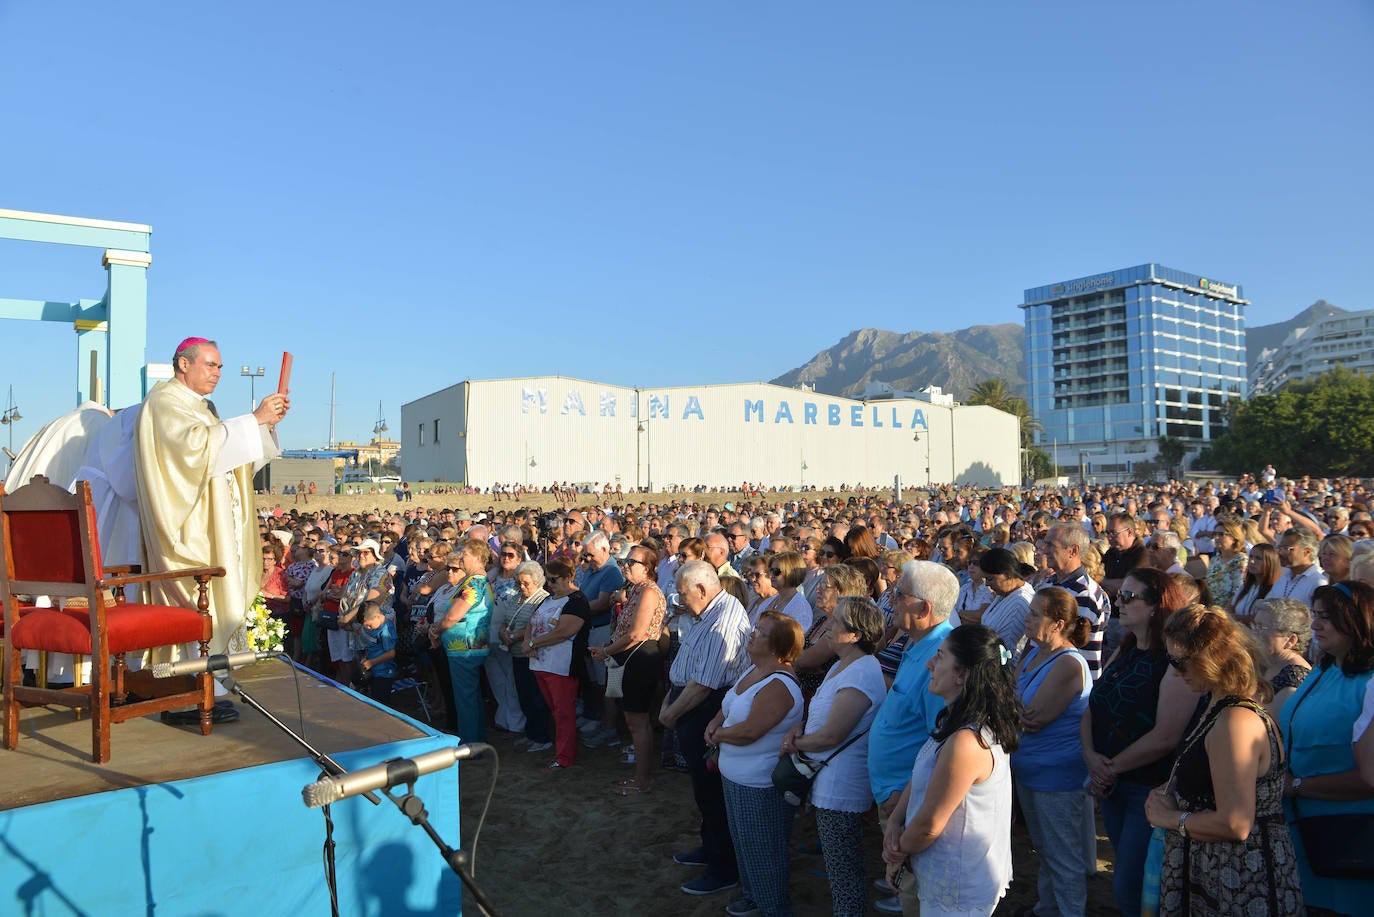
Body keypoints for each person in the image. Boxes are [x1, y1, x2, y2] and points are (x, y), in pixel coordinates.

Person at [1144, 604, 1304, 916]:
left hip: (1236, 877)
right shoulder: (1218, 706)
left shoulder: (1236, 721)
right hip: (1215, 867)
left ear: (1210, 659)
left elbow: (1236, 823)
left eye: (1180, 661)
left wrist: (1171, 819)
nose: (1175, 670)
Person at [135, 337, 288, 659]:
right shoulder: (165, 402)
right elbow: (191, 453)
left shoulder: (203, 408)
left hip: (211, 528)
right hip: (189, 531)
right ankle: (186, 687)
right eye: (210, 364)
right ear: (184, 364)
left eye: (220, 366)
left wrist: (263, 427)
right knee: (196, 604)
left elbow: (226, 458)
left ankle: (211, 683)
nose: (217, 372)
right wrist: (253, 420)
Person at [1082, 567, 1198, 917]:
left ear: (1155, 606)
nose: (1120, 601)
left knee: (1131, 885)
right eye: (1121, 595)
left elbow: (1166, 736)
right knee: (1127, 877)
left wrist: (1109, 769)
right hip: (1114, 784)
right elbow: (1093, 705)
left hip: (1147, 788)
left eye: (1129, 597)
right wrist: (1091, 758)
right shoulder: (1126, 649)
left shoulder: (1174, 663)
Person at [881, 625, 1020, 916]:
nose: (930, 664)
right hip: (944, 870)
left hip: (957, 886)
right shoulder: (955, 721)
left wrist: (897, 852)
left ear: (962, 674)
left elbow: (931, 824)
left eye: (940, 657)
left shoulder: (967, 742)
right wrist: (895, 820)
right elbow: (924, 772)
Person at [780, 597, 887, 917]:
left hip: (841, 785)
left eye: (837, 621)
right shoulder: (843, 664)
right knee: (838, 862)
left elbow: (831, 736)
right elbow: (822, 716)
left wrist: (795, 745)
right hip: (828, 775)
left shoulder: (862, 672)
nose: (828, 625)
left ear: (855, 635)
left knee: (843, 867)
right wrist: (799, 728)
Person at [868, 560, 960, 916]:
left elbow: (939, 745)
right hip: (896, 796)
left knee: (916, 896)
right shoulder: (916, 643)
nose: (890, 600)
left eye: (899, 594)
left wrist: (905, 799)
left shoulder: (943, 659)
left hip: (906, 800)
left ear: (924, 607)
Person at [1278, 581, 1374, 915]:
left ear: (1356, 619)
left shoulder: (1370, 681)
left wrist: (1297, 786)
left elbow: (1369, 777)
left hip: (1352, 839)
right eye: (1315, 616)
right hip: (1304, 835)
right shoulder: (1326, 667)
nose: (1315, 625)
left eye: (1327, 618)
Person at [661, 560, 751, 898]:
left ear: (702, 588)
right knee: (703, 789)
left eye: (684, 593)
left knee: (712, 792)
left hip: (704, 708)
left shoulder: (722, 622)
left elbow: (703, 685)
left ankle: (723, 867)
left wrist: (670, 715)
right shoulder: (709, 612)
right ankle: (710, 849)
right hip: (691, 703)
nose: (681, 600)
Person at [706, 610, 805, 917]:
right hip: (736, 777)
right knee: (744, 843)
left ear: (777, 647)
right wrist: (715, 721)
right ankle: (753, 897)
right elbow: (731, 704)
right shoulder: (755, 669)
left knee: (765, 851)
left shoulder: (779, 684)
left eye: (759, 633)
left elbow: (751, 730)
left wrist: (718, 734)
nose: (751, 634)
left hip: (759, 786)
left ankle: (774, 908)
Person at [1010, 587, 1094, 917]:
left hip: (1058, 777)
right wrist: (1016, 709)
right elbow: (1012, 702)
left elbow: (1034, 719)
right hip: (1031, 771)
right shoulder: (1033, 653)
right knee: (1045, 850)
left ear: (1057, 624)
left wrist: (1014, 709)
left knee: (1063, 857)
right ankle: (1047, 909)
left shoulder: (1068, 664)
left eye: (1034, 614)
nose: (1027, 619)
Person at [592, 544, 666, 796]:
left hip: (640, 659)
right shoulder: (636, 590)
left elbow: (636, 633)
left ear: (647, 568)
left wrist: (607, 651)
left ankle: (642, 780)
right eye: (625, 560)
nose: (625, 564)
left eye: (631, 561)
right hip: (632, 658)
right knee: (634, 720)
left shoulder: (648, 592)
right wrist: (609, 646)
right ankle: (640, 776)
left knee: (638, 722)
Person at [522, 560, 588, 769]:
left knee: (563, 712)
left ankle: (565, 756)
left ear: (568, 577)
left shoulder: (576, 600)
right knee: (554, 710)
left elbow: (564, 631)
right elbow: (531, 622)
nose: (550, 584)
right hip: (541, 663)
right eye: (547, 579)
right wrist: (526, 642)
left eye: (554, 580)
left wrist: (533, 643)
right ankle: (561, 751)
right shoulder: (550, 598)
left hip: (562, 665)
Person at [428, 538, 494, 743]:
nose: (461, 558)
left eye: (464, 554)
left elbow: (453, 616)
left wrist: (437, 630)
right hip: (464, 646)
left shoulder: (474, 583)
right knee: (470, 696)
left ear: (477, 556)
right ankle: (475, 739)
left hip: (465, 648)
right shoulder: (474, 581)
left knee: (465, 698)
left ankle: (470, 742)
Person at [498, 562, 552, 752]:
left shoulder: (543, 599)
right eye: (519, 583)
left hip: (533, 655)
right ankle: (531, 733)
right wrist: (504, 632)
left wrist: (513, 636)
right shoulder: (516, 598)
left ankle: (542, 736)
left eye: (526, 583)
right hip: (516, 653)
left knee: (537, 697)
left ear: (537, 581)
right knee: (524, 695)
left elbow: (537, 626)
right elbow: (505, 621)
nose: (522, 587)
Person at [484, 541, 527, 736]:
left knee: (512, 682)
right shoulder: (490, 578)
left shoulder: (522, 581)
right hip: (487, 634)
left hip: (510, 635)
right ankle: (503, 718)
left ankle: (516, 722)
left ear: (519, 559)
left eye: (511, 555)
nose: (506, 558)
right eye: (503, 555)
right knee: (496, 679)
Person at [965, 548, 1034, 660]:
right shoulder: (1005, 593)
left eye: (990, 579)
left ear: (1007, 574)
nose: (987, 584)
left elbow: (1007, 651)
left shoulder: (1019, 603)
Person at [1250, 596, 1312, 715]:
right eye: (1255, 625)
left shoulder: (1295, 677)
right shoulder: (1263, 661)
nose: (1254, 632)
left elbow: (1274, 725)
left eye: (1262, 627)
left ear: (1290, 640)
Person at [1229, 542, 1281, 625]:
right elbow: (1231, 607)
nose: (1252, 561)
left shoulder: (1275, 589)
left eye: (1258, 558)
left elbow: (1259, 619)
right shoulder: (1246, 586)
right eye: (1251, 557)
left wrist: (1233, 618)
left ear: (1270, 562)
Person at [357, 601, 398, 706]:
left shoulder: (386, 630)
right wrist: (366, 658)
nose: (369, 628)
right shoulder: (375, 627)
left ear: (377, 616)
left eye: (369, 625)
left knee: (381, 703)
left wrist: (371, 662)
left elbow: (391, 653)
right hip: (375, 671)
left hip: (384, 673)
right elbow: (372, 646)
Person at [1203, 518, 1247, 611]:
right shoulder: (1215, 560)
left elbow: (1237, 591)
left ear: (1234, 538)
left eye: (1221, 534)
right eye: (1215, 534)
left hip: (1227, 612)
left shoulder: (1240, 561)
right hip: (1210, 608)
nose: (1216, 538)